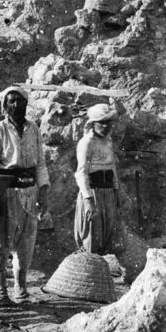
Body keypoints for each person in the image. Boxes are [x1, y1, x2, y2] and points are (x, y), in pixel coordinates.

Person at [0, 86, 48, 305]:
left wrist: (43, 191)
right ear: (4, 106)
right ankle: (0, 293)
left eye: (20, 101)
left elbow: (40, 163)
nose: (16, 105)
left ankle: (21, 292)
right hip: (6, 193)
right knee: (1, 243)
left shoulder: (33, 129)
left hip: (30, 191)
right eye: (11, 101)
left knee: (26, 243)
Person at [73, 103, 124, 255]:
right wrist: (88, 201)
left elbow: (112, 167)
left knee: (108, 232)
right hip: (93, 193)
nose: (106, 126)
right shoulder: (86, 142)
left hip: (108, 192)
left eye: (108, 122)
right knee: (92, 234)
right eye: (102, 123)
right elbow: (81, 173)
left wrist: (116, 191)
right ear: (93, 123)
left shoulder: (108, 141)